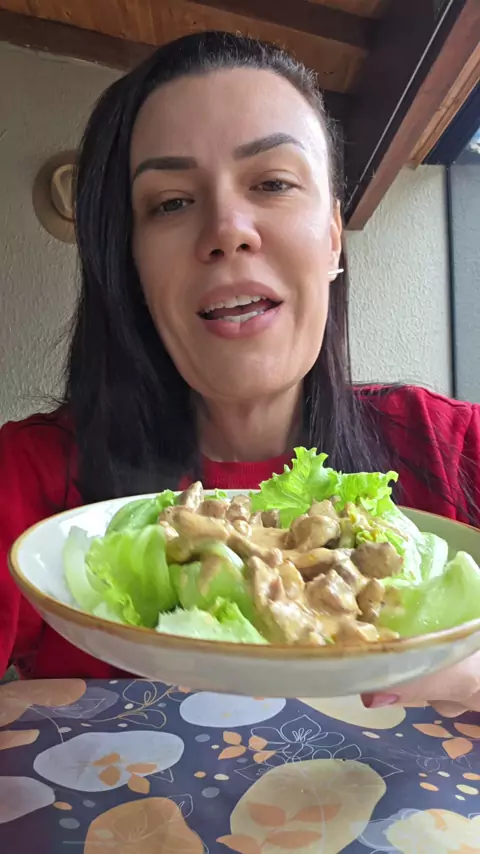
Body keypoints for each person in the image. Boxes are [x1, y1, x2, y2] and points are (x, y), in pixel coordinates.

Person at [0, 32, 479, 714]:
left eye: (273, 183)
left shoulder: (454, 448)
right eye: (170, 202)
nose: (228, 229)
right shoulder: (26, 481)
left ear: (333, 238)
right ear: (132, 265)